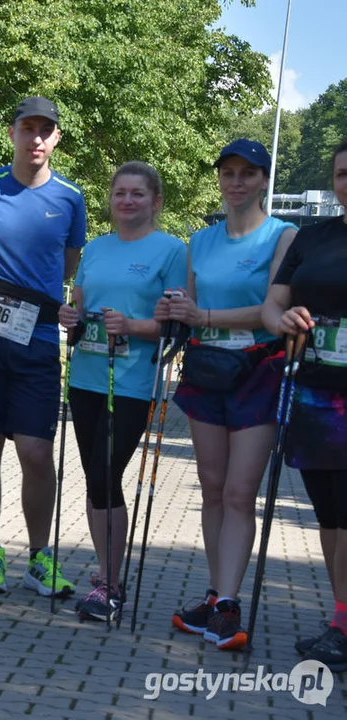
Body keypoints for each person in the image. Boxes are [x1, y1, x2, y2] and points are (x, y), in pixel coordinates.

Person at [158, 139, 296, 650]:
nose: (236, 182)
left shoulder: (284, 236)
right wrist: (174, 308)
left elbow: (270, 308)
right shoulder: (200, 240)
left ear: (263, 180)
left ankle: (231, 604)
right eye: (228, 173)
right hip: (206, 369)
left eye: (247, 174)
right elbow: (189, 305)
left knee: (240, 492)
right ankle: (217, 596)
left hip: (259, 368)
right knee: (211, 487)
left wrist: (206, 317)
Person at [0, 96, 86, 598]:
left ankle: (39, 557)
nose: (36, 137)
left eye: (45, 130)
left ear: (56, 138)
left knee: (36, 451)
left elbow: (68, 265)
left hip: (36, 339)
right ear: (11, 132)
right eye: (27, 127)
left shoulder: (71, 197)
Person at [59, 162, 187, 621]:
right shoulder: (94, 248)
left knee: (106, 472)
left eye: (138, 194)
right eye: (120, 193)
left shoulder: (172, 250)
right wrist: (70, 317)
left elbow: (176, 324)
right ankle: (104, 569)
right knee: (95, 480)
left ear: (156, 201)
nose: (128, 201)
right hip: (86, 377)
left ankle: (112, 585)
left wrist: (132, 326)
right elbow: (80, 303)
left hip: (132, 381)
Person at [262, 138, 347, 671]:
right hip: (317, 391)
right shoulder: (313, 239)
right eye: (342, 174)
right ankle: (341, 620)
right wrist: (284, 321)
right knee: (332, 516)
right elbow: (274, 304)